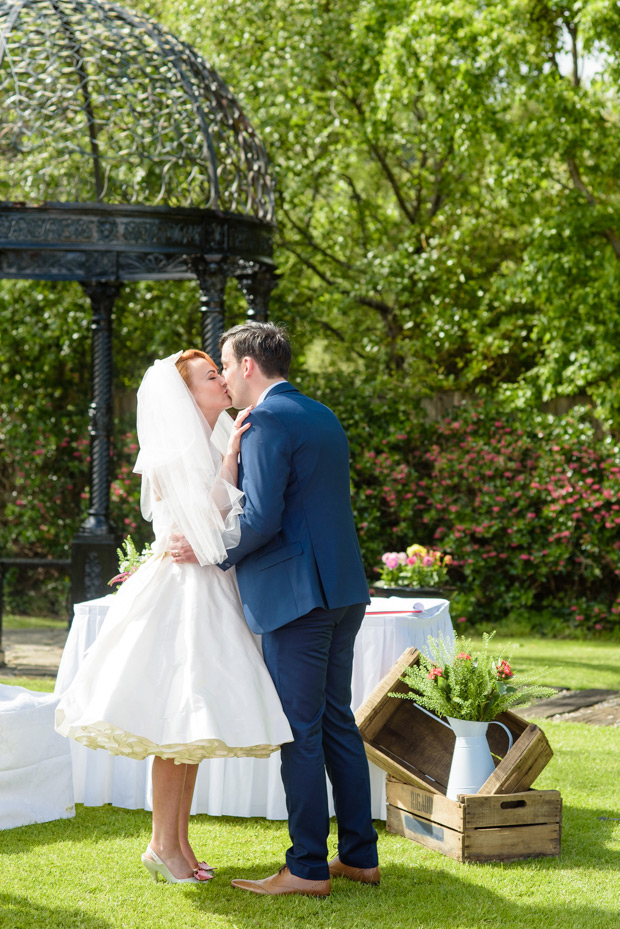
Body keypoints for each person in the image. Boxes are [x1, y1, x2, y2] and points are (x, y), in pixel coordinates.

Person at [55, 349, 293, 885]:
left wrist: (229, 452)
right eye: (211, 376)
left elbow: (220, 525)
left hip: (210, 585)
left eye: (220, 371)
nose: (223, 381)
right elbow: (204, 528)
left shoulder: (215, 439)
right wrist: (231, 459)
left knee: (191, 729)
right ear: (186, 394)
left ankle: (178, 844)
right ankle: (162, 846)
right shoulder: (173, 454)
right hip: (184, 594)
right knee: (175, 728)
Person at [172, 322, 379, 897]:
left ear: (245, 365)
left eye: (224, 363)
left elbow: (260, 517)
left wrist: (213, 551)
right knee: (337, 720)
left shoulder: (263, 420)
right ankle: (360, 856)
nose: (225, 378)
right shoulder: (322, 414)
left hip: (297, 599)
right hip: (343, 592)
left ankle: (308, 867)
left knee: (301, 732)